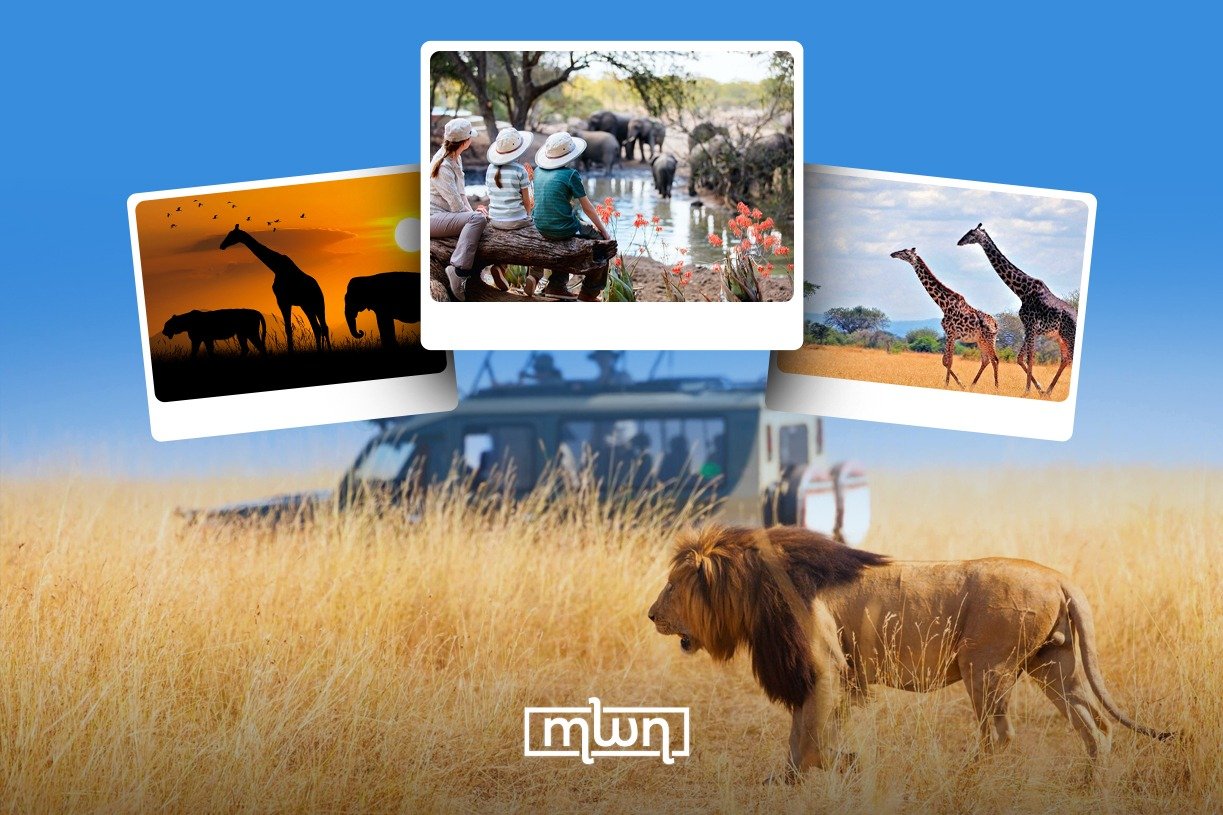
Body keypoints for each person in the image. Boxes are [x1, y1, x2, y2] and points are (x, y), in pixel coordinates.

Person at [531, 131, 612, 301]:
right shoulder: (571, 174)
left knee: (564, 231)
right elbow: (588, 208)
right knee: (601, 244)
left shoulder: (537, 171)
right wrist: (603, 231)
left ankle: (556, 286)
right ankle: (589, 293)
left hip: (539, 226)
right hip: (563, 228)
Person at [430, 118, 486, 301]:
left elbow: (461, 195)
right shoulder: (443, 165)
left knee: (479, 218)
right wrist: (474, 216)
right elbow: (456, 206)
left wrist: (474, 212)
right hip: (432, 219)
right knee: (477, 219)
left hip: (445, 215)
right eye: (470, 137)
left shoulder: (456, 157)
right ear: (465, 141)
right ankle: (459, 271)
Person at [485, 127, 535, 294]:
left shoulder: (490, 168)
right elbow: (526, 201)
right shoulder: (520, 170)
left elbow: (490, 194)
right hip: (516, 220)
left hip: (495, 219)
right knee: (537, 235)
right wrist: (528, 216)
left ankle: (500, 267)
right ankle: (534, 276)